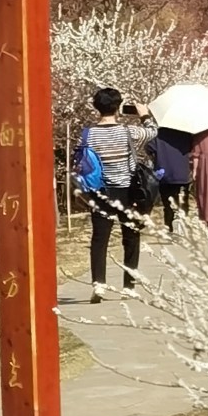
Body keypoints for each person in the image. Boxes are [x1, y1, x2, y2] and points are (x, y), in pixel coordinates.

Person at [82, 87, 149, 300]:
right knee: (131, 236)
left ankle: (98, 284)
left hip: (100, 191)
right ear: (118, 106)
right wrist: (144, 114)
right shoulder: (129, 132)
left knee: (99, 239)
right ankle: (129, 286)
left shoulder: (88, 134)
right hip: (127, 191)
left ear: (96, 107)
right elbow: (154, 131)